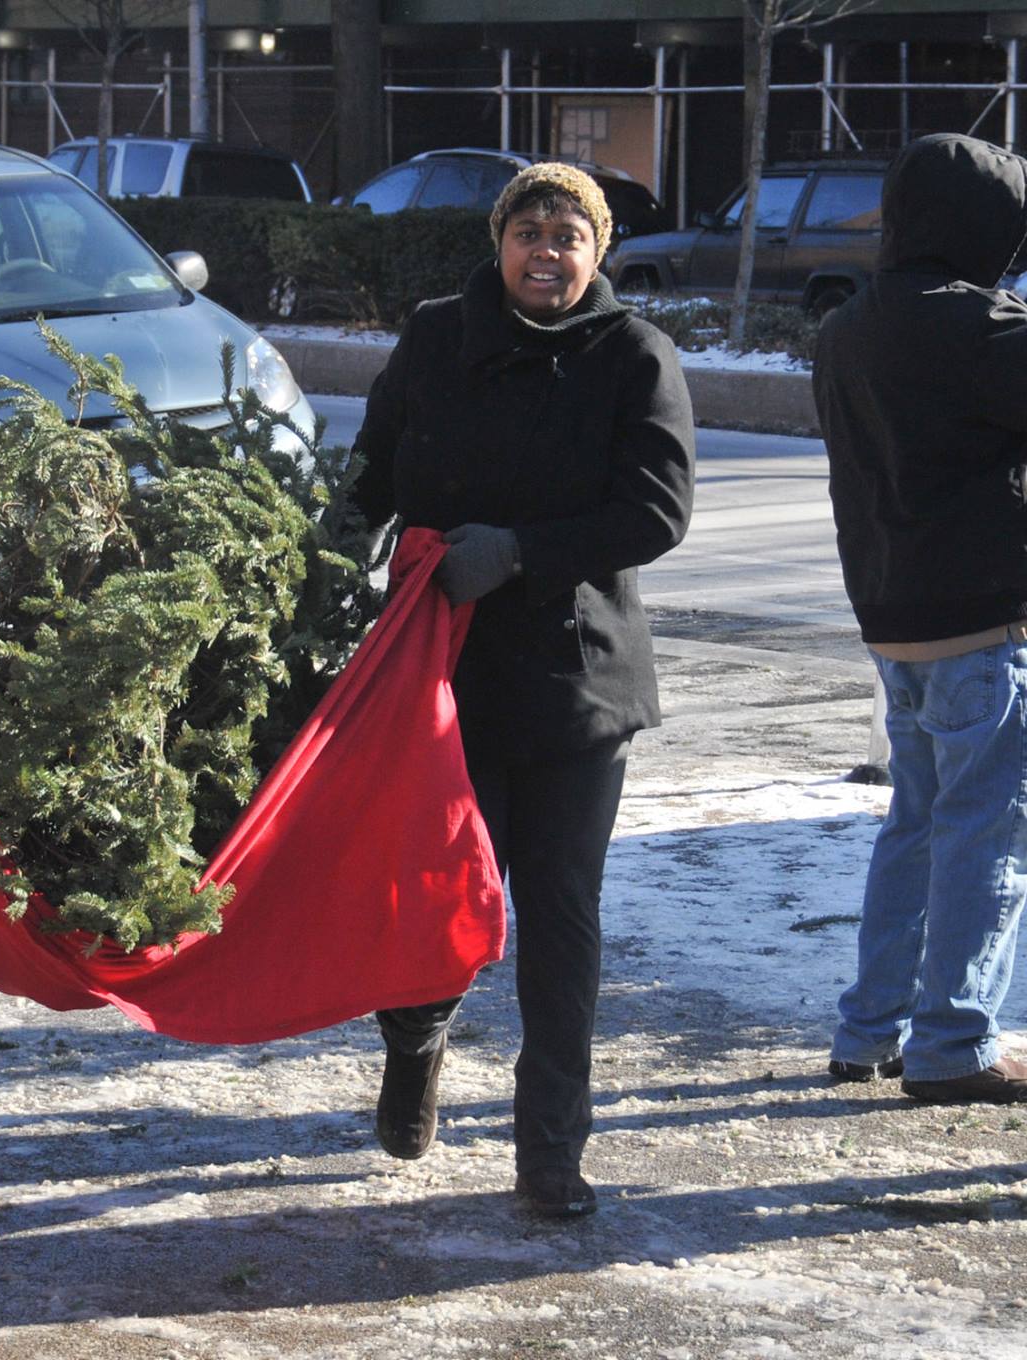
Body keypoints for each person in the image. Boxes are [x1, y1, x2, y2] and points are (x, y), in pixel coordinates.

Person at [343, 163, 694, 1217]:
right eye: (528, 229)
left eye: (569, 233)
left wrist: (520, 553)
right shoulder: (434, 336)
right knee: (431, 897)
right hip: (439, 675)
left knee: (557, 918)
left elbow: (654, 511)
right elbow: (371, 467)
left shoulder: (632, 355)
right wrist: (324, 556)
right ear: (497, 242)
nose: (547, 250)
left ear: (599, 254)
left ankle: (550, 1147)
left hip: (574, 686)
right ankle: (414, 1046)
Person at [814, 133, 1027, 1104]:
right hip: (984, 621)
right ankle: (953, 1043)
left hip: (891, 619)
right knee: (986, 834)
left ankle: (868, 1027)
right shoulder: (979, 327)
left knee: (913, 822)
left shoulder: (848, 326)